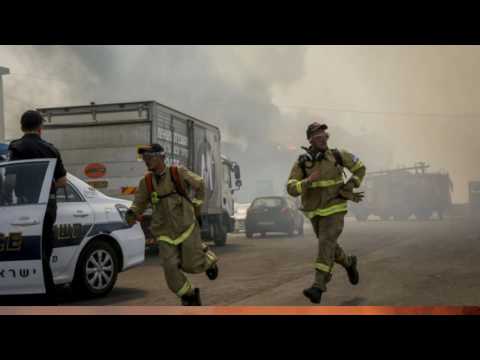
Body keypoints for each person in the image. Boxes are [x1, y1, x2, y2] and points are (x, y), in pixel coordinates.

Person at [125, 144, 219, 306]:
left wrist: (196, 205)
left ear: (161, 157)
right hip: (163, 231)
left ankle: (208, 260)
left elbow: (200, 184)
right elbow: (138, 203)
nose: (147, 161)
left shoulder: (177, 172)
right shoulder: (146, 182)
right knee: (170, 268)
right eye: (144, 158)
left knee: (191, 265)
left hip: (186, 225)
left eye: (150, 157)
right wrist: (132, 214)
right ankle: (189, 295)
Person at [286, 122, 366, 304]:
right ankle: (348, 262)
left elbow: (360, 168)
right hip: (315, 214)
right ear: (310, 140)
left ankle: (318, 286)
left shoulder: (338, 155)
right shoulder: (302, 162)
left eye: (324, 136)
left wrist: (352, 184)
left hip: (336, 208)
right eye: (318, 137)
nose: (322, 139)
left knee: (325, 243)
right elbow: (291, 188)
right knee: (330, 246)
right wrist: (306, 181)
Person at [8, 110, 67, 305]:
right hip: (47, 207)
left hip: (23, 206)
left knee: (24, 251)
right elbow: (62, 181)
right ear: (40, 128)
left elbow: (9, 180)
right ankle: (46, 295)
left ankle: (36, 293)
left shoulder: (15, 148)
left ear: (22, 127)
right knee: (44, 251)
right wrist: (45, 187)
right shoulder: (51, 149)